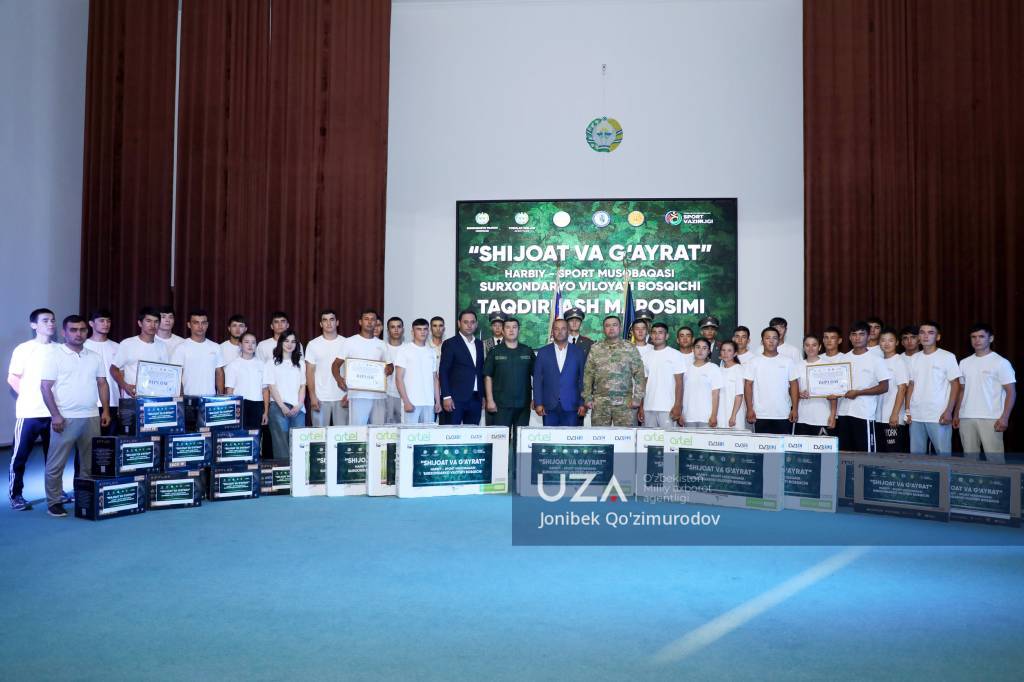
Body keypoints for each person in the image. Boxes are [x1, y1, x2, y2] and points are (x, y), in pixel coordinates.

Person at [39, 315, 111, 517]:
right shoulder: (54, 355)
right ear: (64, 332)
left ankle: (84, 498)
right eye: (73, 330)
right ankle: (54, 502)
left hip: (91, 416)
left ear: (86, 331)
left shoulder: (94, 356)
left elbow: (102, 383)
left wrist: (105, 410)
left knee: (89, 464)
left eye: (82, 330)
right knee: (56, 464)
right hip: (65, 418)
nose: (78, 334)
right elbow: (45, 387)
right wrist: (55, 415)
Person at [7, 308, 57, 511]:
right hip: (29, 413)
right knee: (19, 457)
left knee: (54, 458)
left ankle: (55, 492)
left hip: (54, 414)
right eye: (45, 320)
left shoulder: (60, 350)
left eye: (52, 320)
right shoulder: (24, 349)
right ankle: (15, 495)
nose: (51, 324)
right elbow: (12, 378)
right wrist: (29, 397)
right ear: (34, 325)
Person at [954, 323, 1016, 462]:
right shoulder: (964, 362)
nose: (977, 340)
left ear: (991, 338)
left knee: (995, 461)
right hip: (966, 417)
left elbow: (1011, 392)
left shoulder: (1001, 362)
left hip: (991, 418)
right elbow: (962, 390)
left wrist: (1005, 417)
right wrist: (957, 413)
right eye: (973, 337)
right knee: (969, 461)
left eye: (981, 336)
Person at [110, 307, 169, 434]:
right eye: (148, 321)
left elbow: (166, 372)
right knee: (132, 438)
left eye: (156, 321)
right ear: (139, 323)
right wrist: (125, 386)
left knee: (154, 438)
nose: (153, 325)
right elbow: (114, 369)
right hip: (133, 401)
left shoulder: (162, 346)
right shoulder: (128, 344)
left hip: (155, 403)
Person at [834, 321, 890, 452]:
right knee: (845, 454)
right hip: (843, 412)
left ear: (868, 336)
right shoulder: (843, 359)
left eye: (861, 334)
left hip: (864, 414)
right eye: (854, 334)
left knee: (866, 455)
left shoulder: (876, 359)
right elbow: (837, 385)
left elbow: (884, 387)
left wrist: (858, 393)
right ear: (849, 337)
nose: (857, 338)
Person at [906, 321, 961, 455]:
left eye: (930, 333)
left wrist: (949, 411)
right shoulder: (914, 358)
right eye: (922, 332)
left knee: (943, 456)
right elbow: (911, 385)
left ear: (938, 337)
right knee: (916, 456)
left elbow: (956, 385)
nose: (925, 336)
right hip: (916, 415)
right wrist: (908, 410)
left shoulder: (947, 357)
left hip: (938, 415)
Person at [582, 316, 645, 427]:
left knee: (625, 436)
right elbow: (588, 374)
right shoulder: (595, 348)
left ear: (620, 328)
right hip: (600, 403)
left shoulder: (630, 348)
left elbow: (639, 374)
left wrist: (637, 398)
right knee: (600, 436)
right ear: (603, 329)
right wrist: (587, 397)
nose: (611, 328)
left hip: (625, 404)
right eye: (607, 326)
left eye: (614, 325)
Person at [483, 317, 534, 453]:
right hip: (501, 406)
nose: (511, 330)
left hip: (523, 406)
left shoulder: (527, 351)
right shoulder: (494, 351)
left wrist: (536, 398)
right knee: (501, 444)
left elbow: (537, 376)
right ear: (503, 331)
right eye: (508, 327)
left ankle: (518, 467)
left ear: (519, 330)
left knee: (521, 444)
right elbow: (488, 376)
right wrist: (490, 400)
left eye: (514, 327)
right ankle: (502, 468)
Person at [333, 309, 388, 426]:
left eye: (373, 319)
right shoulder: (350, 342)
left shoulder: (382, 344)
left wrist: (389, 369)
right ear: (360, 322)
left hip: (378, 395)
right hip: (357, 395)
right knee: (357, 430)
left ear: (376, 322)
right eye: (366, 319)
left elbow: (390, 366)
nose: (370, 322)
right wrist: (339, 379)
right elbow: (335, 364)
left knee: (378, 431)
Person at [744, 327, 800, 434]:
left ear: (778, 341)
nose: (771, 341)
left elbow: (794, 385)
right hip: (760, 414)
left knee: (783, 444)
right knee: (762, 444)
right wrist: (749, 409)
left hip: (783, 414)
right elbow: (748, 386)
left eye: (774, 338)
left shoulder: (788, 361)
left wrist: (795, 409)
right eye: (767, 338)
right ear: (762, 341)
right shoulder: (753, 362)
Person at [532, 318, 586, 426]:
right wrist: (538, 402)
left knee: (570, 436)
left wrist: (582, 403)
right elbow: (537, 380)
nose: (560, 332)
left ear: (568, 331)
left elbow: (583, 379)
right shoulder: (543, 352)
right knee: (549, 437)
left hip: (572, 406)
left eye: (563, 329)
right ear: (552, 331)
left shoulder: (578, 352)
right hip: (548, 407)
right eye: (556, 329)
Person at [264, 331, 306, 459]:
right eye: (286, 341)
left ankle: (298, 470)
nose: (289, 344)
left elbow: (302, 386)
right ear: (281, 342)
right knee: (281, 443)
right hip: (278, 407)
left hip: (298, 408)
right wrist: (282, 406)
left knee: (299, 443)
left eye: (293, 341)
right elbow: (271, 386)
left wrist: (300, 404)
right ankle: (284, 470)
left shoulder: (301, 363)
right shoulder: (271, 363)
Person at [439, 309, 485, 425]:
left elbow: (480, 371)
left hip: (476, 398)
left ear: (476, 324)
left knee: (473, 433)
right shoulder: (450, 343)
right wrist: (446, 396)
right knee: (451, 433)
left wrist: (483, 396)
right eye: (466, 322)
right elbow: (443, 371)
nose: (469, 325)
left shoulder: (480, 344)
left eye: (472, 322)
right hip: (455, 399)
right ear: (459, 323)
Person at [305, 309, 347, 427]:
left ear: (337, 322)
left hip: (342, 397)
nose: (328, 323)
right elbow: (309, 372)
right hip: (320, 398)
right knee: (320, 435)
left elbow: (352, 370)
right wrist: (312, 396)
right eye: (325, 320)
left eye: (332, 319)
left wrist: (350, 394)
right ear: (321, 324)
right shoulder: (313, 344)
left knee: (342, 435)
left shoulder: (347, 343)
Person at [638, 322, 685, 428]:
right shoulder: (645, 357)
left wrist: (678, 405)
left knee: (668, 438)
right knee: (649, 438)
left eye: (660, 332)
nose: (657, 335)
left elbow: (679, 383)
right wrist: (641, 407)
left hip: (668, 407)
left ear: (666, 336)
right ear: (650, 336)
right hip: (648, 407)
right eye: (654, 332)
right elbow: (643, 384)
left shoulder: (676, 355)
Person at [395, 319, 441, 424]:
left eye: (425, 329)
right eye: (419, 329)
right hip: (411, 403)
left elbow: (435, 379)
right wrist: (406, 401)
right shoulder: (404, 350)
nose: (422, 332)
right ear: (412, 332)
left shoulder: (431, 352)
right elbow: (398, 378)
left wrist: (437, 402)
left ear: (428, 331)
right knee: (409, 433)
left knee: (428, 434)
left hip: (429, 403)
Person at [171, 309, 226, 396]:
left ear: (207, 325)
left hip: (210, 399)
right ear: (189, 325)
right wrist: (181, 398)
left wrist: (221, 396)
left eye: (203, 323)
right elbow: (176, 375)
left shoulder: (215, 347)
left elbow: (219, 373)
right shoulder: (181, 348)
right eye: (196, 323)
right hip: (188, 398)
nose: (200, 326)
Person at [84, 308, 120, 436]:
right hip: (89, 404)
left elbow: (121, 376)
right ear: (91, 323)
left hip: (114, 402)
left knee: (110, 443)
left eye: (108, 321)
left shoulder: (117, 347)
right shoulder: (83, 346)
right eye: (102, 321)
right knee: (88, 443)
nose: (106, 324)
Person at [223, 332, 267, 431]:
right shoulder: (233, 365)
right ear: (240, 345)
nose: (250, 345)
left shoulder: (262, 365)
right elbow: (229, 390)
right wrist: (231, 411)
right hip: (240, 405)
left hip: (257, 404)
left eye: (253, 342)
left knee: (255, 435)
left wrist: (266, 412)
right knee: (240, 435)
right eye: (247, 342)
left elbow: (265, 390)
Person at [795, 335, 837, 437]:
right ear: (803, 347)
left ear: (819, 347)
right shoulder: (797, 366)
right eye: (807, 345)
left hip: (822, 417)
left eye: (814, 345)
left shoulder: (828, 366)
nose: (810, 348)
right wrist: (798, 394)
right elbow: (792, 389)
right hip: (802, 417)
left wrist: (833, 415)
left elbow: (834, 393)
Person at [876, 328, 910, 453]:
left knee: (893, 454)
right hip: (878, 417)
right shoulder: (878, 361)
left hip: (893, 417)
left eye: (890, 340)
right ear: (879, 343)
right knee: (881, 453)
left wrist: (895, 414)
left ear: (896, 343)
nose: (886, 343)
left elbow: (902, 388)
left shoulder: (899, 361)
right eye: (883, 340)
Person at [682, 338, 721, 428]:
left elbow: (716, 394)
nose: (700, 351)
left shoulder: (714, 368)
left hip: (706, 418)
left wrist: (714, 415)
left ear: (709, 351)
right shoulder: (686, 368)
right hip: (688, 416)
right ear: (693, 349)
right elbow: (682, 392)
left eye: (704, 348)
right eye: (698, 347)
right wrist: (681, 413)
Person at [717, 340, 747, 430]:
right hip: (720, 414)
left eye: (729, 350)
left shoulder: (739, 369)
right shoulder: (718, 370)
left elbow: (739, 395)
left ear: (735, 354)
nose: (725, 353)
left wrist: (733, 416)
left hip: (735, 415)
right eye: (723, 350)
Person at [383, 317, 405, 423]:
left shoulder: (408, 349)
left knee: (404, 427)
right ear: (388, 331)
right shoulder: (382, 348)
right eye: (392, 327)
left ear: (403, 329)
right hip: (385, 395)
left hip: (404, 396)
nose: (396, 330)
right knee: (386, 429)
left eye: (399, 327)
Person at [217, 314, 248, 387]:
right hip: (226, 390)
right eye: (234, 326)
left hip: (246, 389)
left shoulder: (251, 348)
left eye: (241, 326)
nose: (237, 329)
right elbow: (218, 373)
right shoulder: (220, 348)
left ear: (245, 329)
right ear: (229, 328)